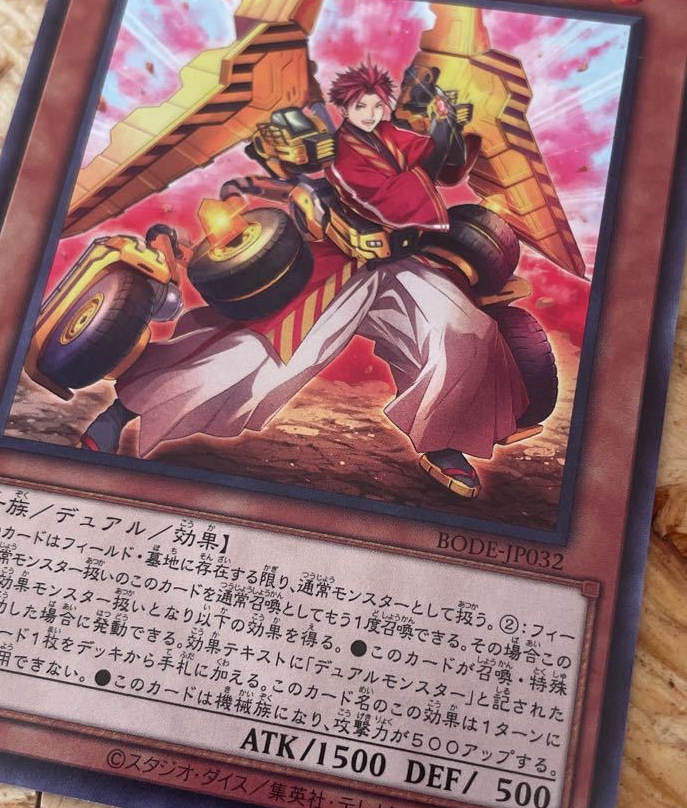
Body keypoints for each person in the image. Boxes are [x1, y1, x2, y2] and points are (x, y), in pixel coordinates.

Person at [81, 62, 527, 499]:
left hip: (398, 265)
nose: (370, 114)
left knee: (463, 328)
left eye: (377, 105)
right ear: (345, 109)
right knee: (255, 355)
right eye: (360, 107)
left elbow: (441, 165)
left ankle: (442, 440)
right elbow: (380, 193)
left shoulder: (395, 138)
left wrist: (444, 125)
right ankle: (124, 411)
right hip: (341, 265)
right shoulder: (337, 150)